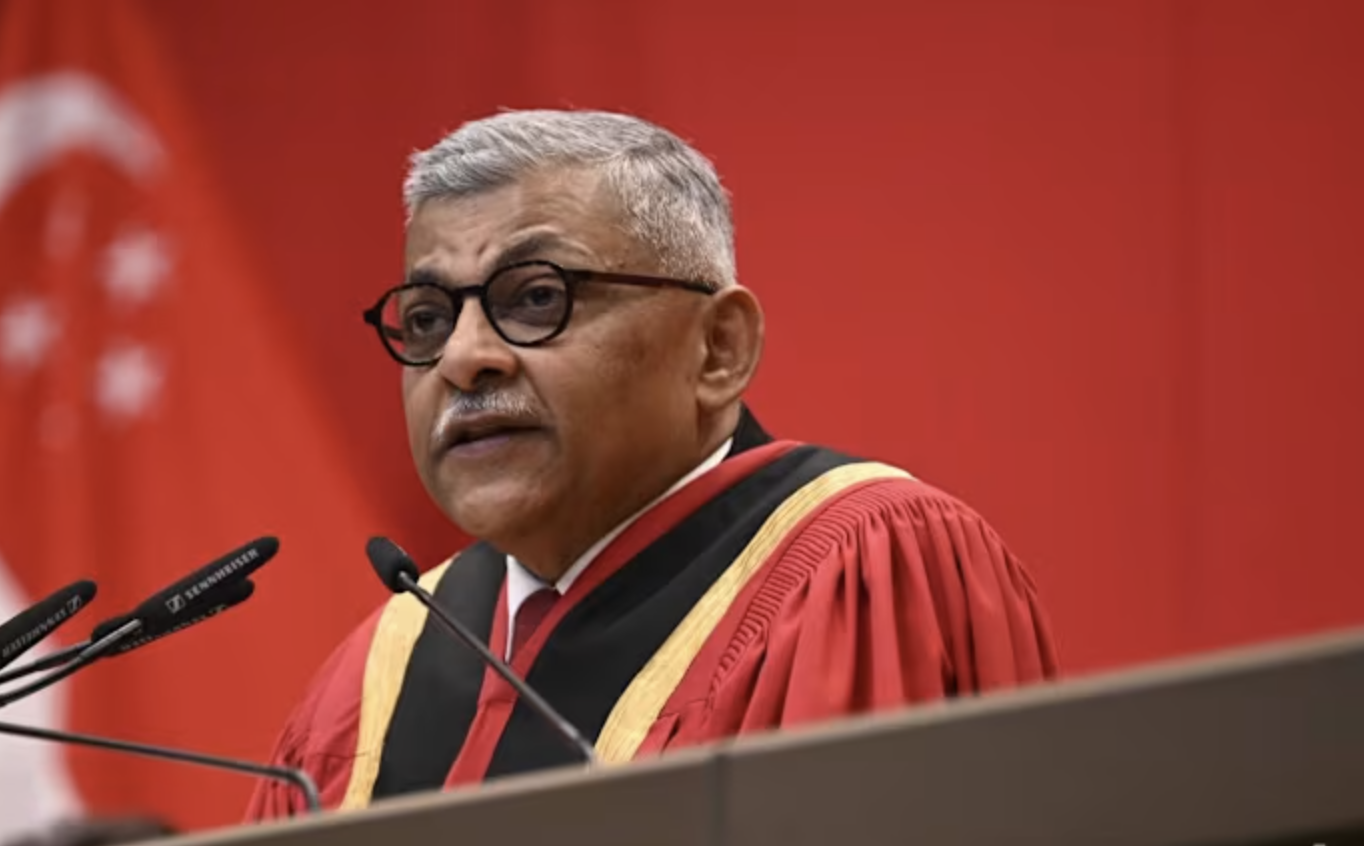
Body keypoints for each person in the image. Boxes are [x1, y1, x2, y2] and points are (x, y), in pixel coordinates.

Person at [246, 109, 1059, 819]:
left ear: (718, 349)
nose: (462, 358)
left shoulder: (856, 567)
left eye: (537, 298)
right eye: (427, 318)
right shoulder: (377, 678)